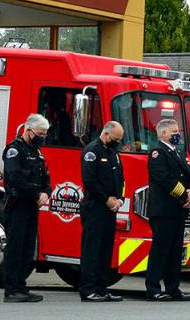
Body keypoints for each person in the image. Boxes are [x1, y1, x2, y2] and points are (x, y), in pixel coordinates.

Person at [145, 118, 190, 302]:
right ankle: (153, 289)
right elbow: (165, 179)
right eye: (174, 132)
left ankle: (173, 288)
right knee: (160, 251)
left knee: (175, 252)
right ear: (164, 134)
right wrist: (185, 196)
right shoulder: (158, 153)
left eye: (178, 131)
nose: (178, 135)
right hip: (163, 211)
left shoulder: (178, 153)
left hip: (178, 211)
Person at [2, 113, 52, 303]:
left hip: (32, 206)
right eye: (41, 133)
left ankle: (21, 285)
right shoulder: (14, 150)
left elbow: (45, 177)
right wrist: (35, 194)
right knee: (15, 247)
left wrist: (46, 192)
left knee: (28, 247)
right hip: (17, 204)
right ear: (29, 130)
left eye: (45, 133)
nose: (43, 137)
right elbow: (14, 177)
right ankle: (11, 289)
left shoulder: (37, 152)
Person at [78, 121, 125, 302]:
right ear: (106, 134)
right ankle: (88, 289)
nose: (117, 142)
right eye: (115, 139)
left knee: (106, 250)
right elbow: (90, 181)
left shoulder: (113, 152)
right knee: (92, 250)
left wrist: (119, 199)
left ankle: (102, 288)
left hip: (110, 209)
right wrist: (106, 199)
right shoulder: (92, 151)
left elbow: (120, 178)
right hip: (95, 207)